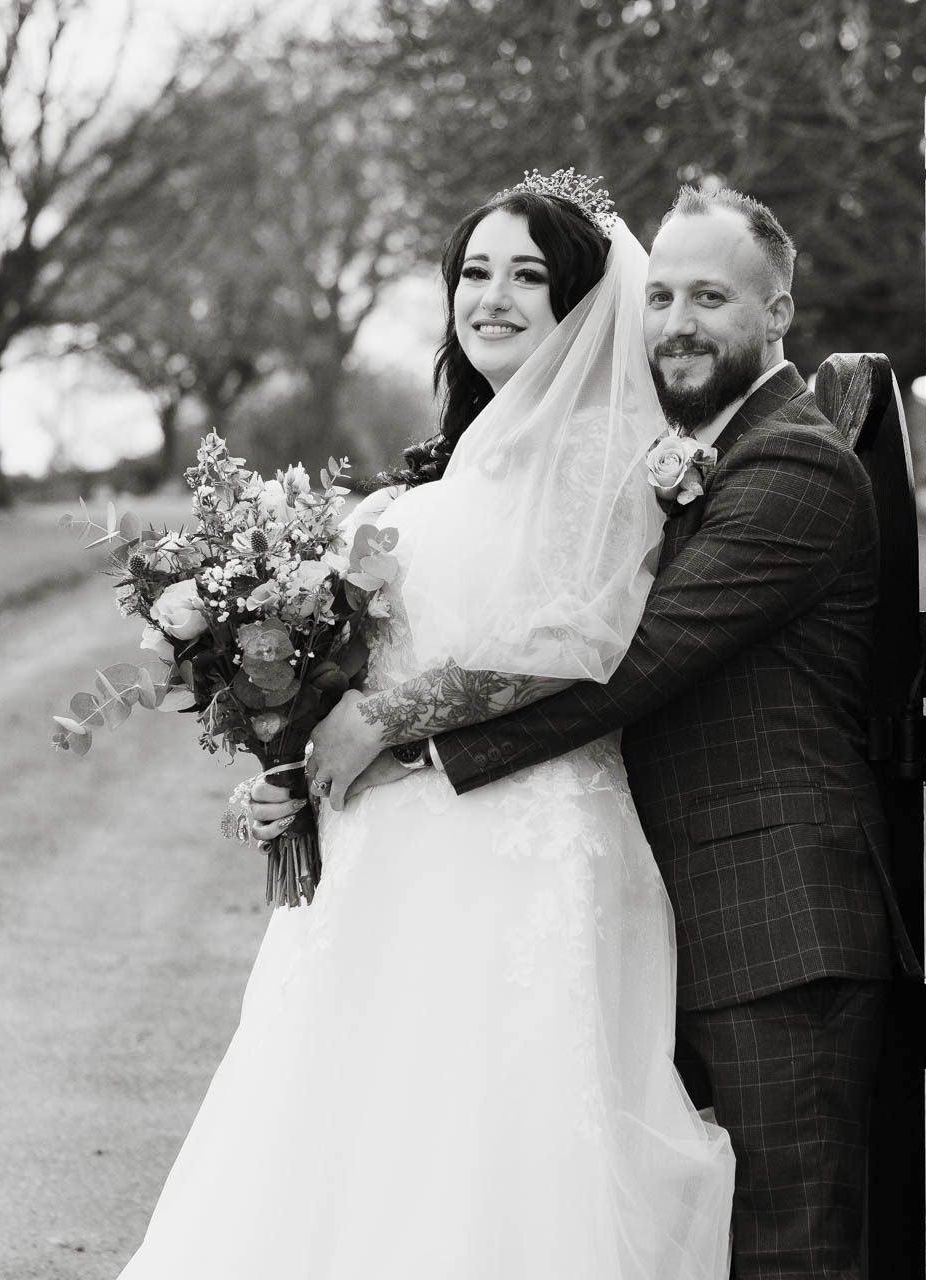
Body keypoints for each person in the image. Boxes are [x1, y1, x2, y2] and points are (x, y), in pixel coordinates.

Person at [114, 173, 735, 1280]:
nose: (493, 296)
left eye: (528, 276)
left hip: (515, 847)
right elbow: (356, 663)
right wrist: (289, 762)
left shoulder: (599, 448)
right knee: (346, 1150)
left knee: (481, 1151)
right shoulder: (456, 458)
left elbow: (573, 640)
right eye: (474, 272)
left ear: (579, 302)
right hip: (382, 860)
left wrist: (384, 722)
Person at [279, 186, 902, 1279]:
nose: (676, 323)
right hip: (669, 902)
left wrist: (400, 739)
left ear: (778, 311)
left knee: (790, 1247)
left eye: (710, 297)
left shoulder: (793, 465)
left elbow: (632, 660)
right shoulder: (680, 451)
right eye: (660, 296)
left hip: (776, 920)